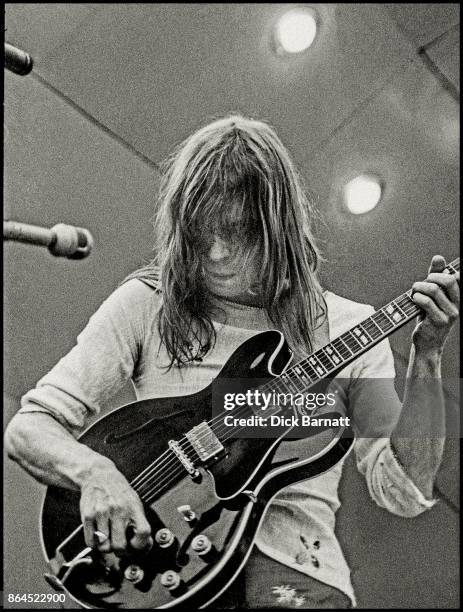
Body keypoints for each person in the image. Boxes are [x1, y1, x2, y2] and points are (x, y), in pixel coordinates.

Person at [5, 115, 459, 609]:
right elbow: (30, 428)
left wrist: (428, 357)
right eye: (202, 234)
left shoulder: (349, 324)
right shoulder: (145, 304)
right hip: (169, 576)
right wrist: (95, 474)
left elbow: (403, 490)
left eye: (238, 232)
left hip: (298, 581)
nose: (217, 253)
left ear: (278, 225)